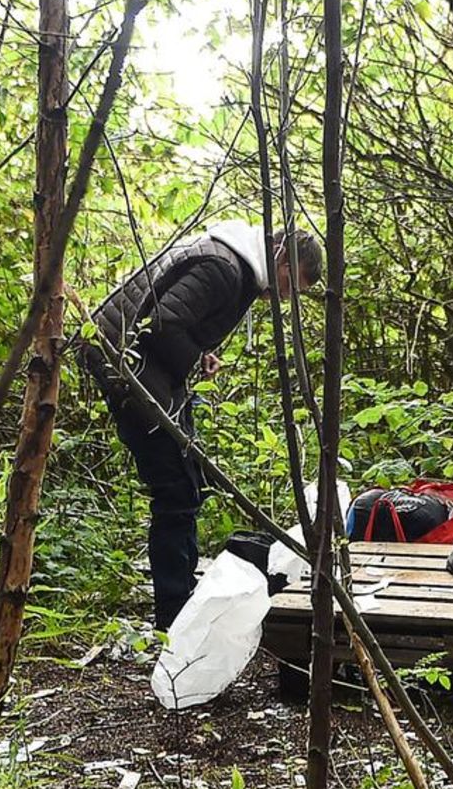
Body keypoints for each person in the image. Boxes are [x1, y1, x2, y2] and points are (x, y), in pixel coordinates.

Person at [81, 221, 322, 629]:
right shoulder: (224, 268)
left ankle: (179, 604)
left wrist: (200, 352)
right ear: (280, 254)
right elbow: (162, 325)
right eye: (289, 285)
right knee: (176, 490)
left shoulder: (235, 266)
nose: (284, 298)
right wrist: (193, 357)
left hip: (142, 362)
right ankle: (173, 621)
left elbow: (175, 317)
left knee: (190, 480)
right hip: (123, 360)